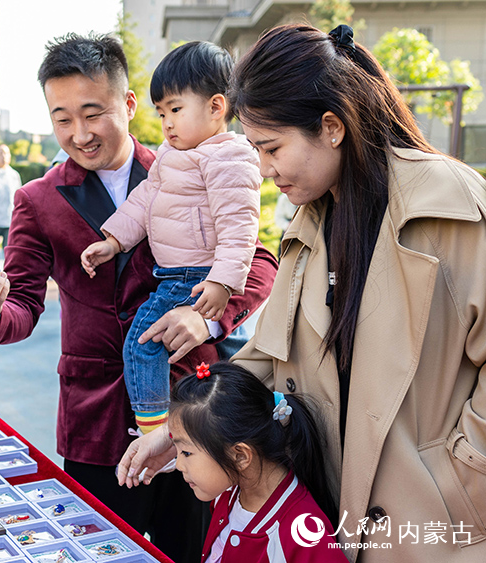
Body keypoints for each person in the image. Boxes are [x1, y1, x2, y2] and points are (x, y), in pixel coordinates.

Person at [119, 24, 486, 562]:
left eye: (271, 148)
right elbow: (268, 356)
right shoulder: (310, 219)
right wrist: (182, 436)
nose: (264, 171)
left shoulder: (451, 205)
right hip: (328, 520)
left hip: (431, 529)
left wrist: (462, 472)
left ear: (331, 127)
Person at [0, 33, 278, 562]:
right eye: (62, 118)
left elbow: (259, 259)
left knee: (194, 551)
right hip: (94, 424)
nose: (78, 134)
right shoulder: (35, 201)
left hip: (191, 412)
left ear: (128, 105)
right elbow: (23, 304)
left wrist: (209, 321)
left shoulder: (192, 161)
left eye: (92, 113)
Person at [81, 41, 261, 435]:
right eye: (162, 113)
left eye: (176, 110)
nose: (167, 123)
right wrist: (113, 239)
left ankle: (155, 430)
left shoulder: (228, 158)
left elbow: (239, 228)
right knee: (222, 358)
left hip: (194, 277)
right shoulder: (170, 155)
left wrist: (221, 283)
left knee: (142, 344)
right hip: (177, 274)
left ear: (216, 107)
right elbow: (142, 201)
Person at [166, 362, 346, 562]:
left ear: (240, 456)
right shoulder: (229, 490)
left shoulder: (304, 533)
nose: (178, 465)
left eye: (186, 453)